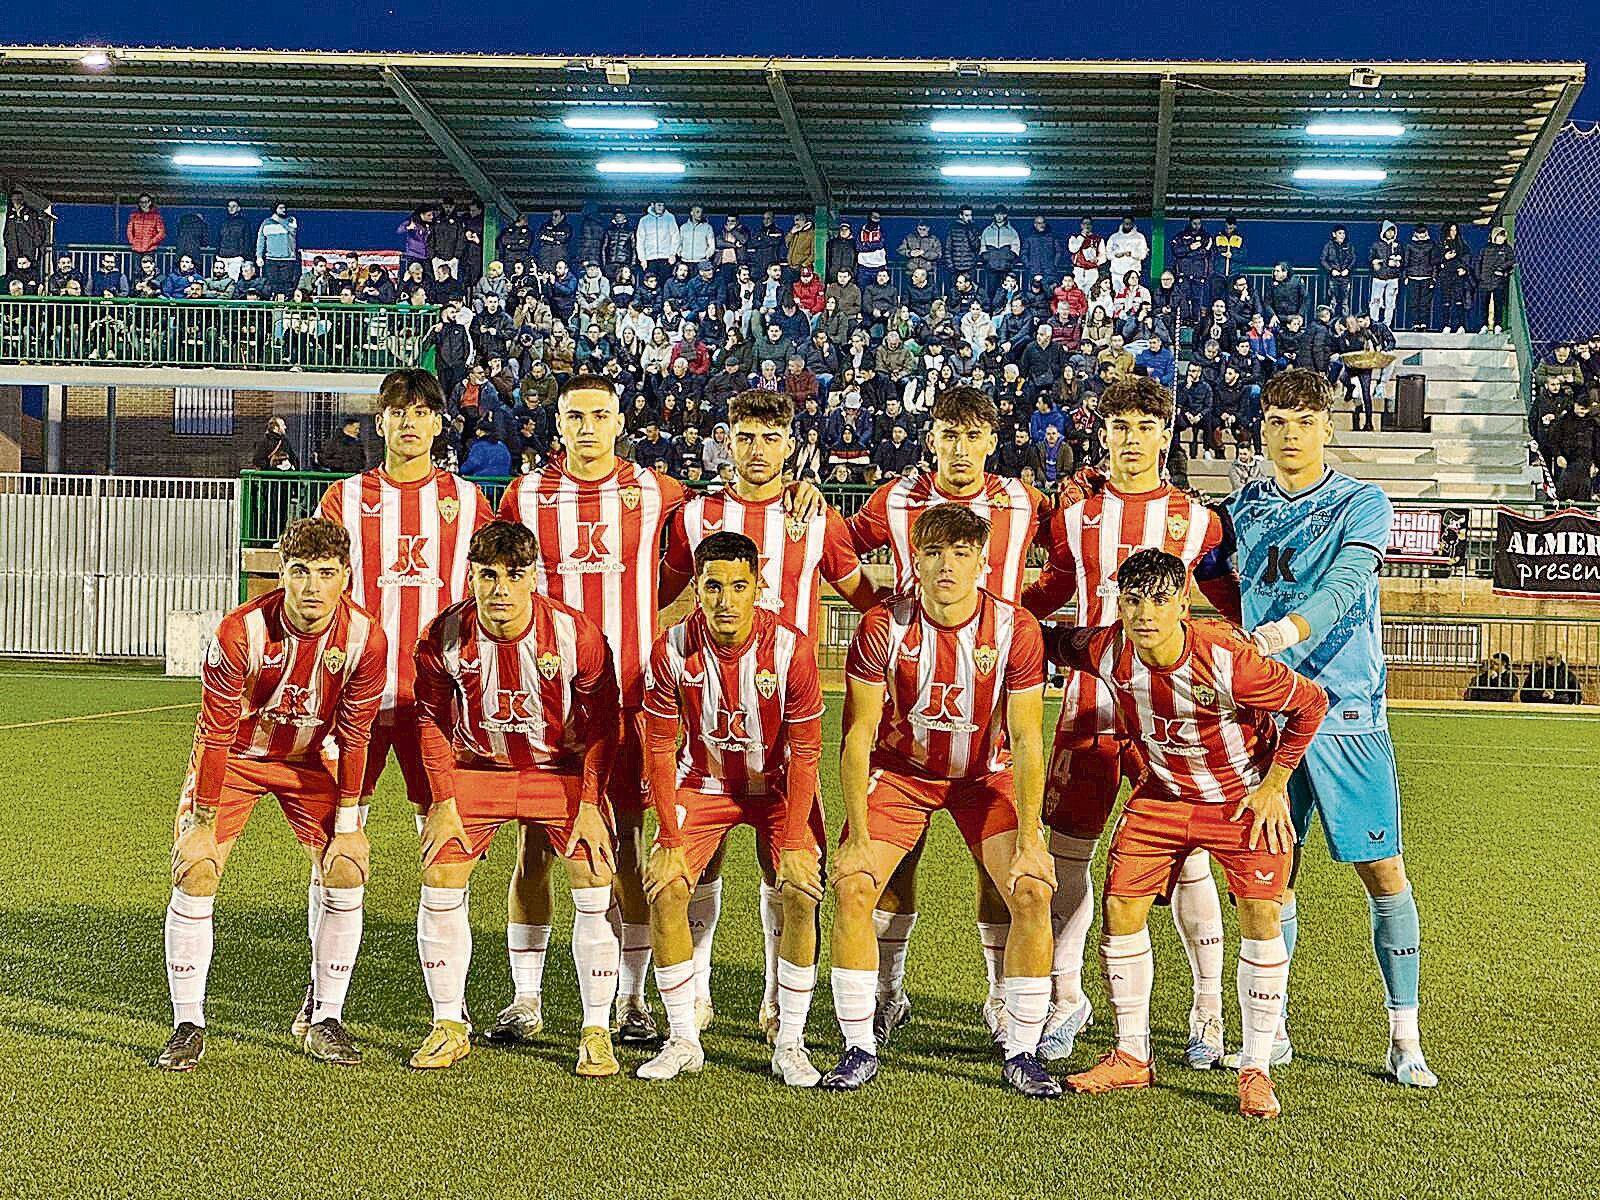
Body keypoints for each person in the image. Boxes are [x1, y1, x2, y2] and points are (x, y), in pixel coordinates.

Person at [1052, 549, 1328, 1120]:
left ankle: (1255, 1067)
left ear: (1182, 602)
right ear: (1119, 604)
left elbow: (1310, 703)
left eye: (1158, 600)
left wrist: (1276, 783)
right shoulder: (1109, 649)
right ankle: (1131, 1054)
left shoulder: (1229, 659)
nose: (1144, 613)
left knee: (1260, 915)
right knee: (1121, 908)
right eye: (1132, 600)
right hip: (1159, 798)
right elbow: (1056, 641)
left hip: (1239, 802)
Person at [1225, 367, 1439, 1089]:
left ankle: (1403, 1036)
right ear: (1263, 429)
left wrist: (1285, 631)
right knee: (1269, 879)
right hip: (1264, 715)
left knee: (1382, 872)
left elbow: (1349, 585)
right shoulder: (1243, 507)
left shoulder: (1362, 501)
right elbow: (1210, 578)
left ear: (1328, 427)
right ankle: (1271, 1028)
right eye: (1278, 420)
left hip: (1346, 716)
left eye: (1305, 420)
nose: (1292, 433)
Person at [1020, 376, 1243, 1066]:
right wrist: (1007, 627)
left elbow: (1227, 594)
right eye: (1121, 427)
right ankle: (1067, 1002)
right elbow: (1049, 590)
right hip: (1090, 708)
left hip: (1171, 719)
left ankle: (1207, 1010)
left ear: (1166, 434)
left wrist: (1252, 652)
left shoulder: (1196, 520)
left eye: (1146, 426)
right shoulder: (1074, 518)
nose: (1133, 439)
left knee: (1190, 865)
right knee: (1070, 858)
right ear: (1104, 433)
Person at [819, 503, 1059, 1097]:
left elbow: (1029, 738)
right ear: (913, 561)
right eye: (932, 553)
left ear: (983, 561)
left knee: (1031, 889)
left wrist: (1031, 836)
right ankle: (858, 1045)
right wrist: (855, 833)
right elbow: (856, 735)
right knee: (853, 886)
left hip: (986, 776)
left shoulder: (1016, 630)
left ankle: (1024, 1051)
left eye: (960, 553)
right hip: (901, 774)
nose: (946, 566)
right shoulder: (883, 624)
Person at [846, 387, 1057, 1041]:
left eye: (974, 436)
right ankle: (887, 991)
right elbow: (839, 547)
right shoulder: (897, 498)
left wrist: (1028, 623)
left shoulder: (1023, 502)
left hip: (989, 710)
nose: (960, 449)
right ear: (930, 438)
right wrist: (872, 607)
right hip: (909, 711)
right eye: (949, 434)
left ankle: (1001, 997)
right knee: (896, 860)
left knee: (996, 869)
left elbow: (1070, 560)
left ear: (992, 441)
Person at [155, 518, 387, 1071]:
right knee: (198, 868)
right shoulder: (240, 633)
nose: (312, 587)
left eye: (325, 574)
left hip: (308, 762)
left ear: (346, 578)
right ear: (282, 574)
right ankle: (188, 1024)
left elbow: (355, 735)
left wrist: (350, 823)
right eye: (300, 572)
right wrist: (202, 822)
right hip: (236, 759)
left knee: (347, 867)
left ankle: (324, 1017)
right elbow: (213, 731)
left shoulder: (366, 639)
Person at [409, 520, 623, 1075]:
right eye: (487, 575)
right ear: (471, 577)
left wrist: (593, 806)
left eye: (513, 576)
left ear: (535, 578)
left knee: (595, 879)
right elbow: (431, 720)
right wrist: (443, 801)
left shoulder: (579, 636)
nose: (500, 589)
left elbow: (603, 725)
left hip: (560, 772)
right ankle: (448, 1022)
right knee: (440, 875)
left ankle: (595, 1029)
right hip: (478, 769)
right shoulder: (441, 636)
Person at [638, 531, 829, 1084]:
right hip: (704, 782)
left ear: (758, 588)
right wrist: (670, 839)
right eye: (713, 587)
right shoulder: (671, 647)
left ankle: (790, 1041)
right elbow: (658, 745)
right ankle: (683, 1039)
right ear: (696, 588)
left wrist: (794, 842)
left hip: (777, 786)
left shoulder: (791, 649)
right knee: (667, 886)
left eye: (738, 587)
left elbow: (807, 750)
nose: (725, 601)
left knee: (798, 889)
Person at [256, 202, 300, 298]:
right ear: (275, 209)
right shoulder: (266, 223)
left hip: (288, 259)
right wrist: (259, 256)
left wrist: (278, 220)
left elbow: (292, 232)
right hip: (271, 259)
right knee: (273, 284)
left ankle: (286, 305)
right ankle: (276, 305)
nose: (284, 210)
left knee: (287, 285)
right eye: (281, 208)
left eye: (284, 208)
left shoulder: (291, 220)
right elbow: (261, 240)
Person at [1477, 226, 1514, 333]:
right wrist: (1480, 277)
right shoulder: (1485, 248)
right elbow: (1478, 263)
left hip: (1498, 281)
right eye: (1499, 236)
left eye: (1503, 237)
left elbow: (1511, 260)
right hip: (1485, 281)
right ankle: (1483, 325)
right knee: (1484, 304)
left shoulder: (1507, 249)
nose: (1501, 239)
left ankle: (1498, 324)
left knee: (1498, 303)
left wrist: (1501, 269)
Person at [1368, 221, 1404, 327]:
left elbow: (1403, 261)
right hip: (1379, 278)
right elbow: (1370, 259)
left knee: (1391, 303)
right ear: (1383, 232)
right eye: (1388, 231)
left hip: (1393, 279)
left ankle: (1387, 325)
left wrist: (1397, 263)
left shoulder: (1398, 245)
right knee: (1375, 301)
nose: (1390, 233)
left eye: (1392, 231)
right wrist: (1377, 264)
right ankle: (1374, 323)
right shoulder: (1376, 245)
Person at [1321, 226, 1356, 320]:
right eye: (1340, 233)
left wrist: (1348, 269)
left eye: (1343, 233)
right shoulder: (1328, 246)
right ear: (1334, 234)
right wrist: (1331, 270)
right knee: (1333, 301)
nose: (1342, 235)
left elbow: (1353, 259)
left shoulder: (1349, 245)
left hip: (1345, 278)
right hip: (1333, 278)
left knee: (1345, 302)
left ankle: (1345, 323)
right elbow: (1323, 260)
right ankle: (1331, 322)